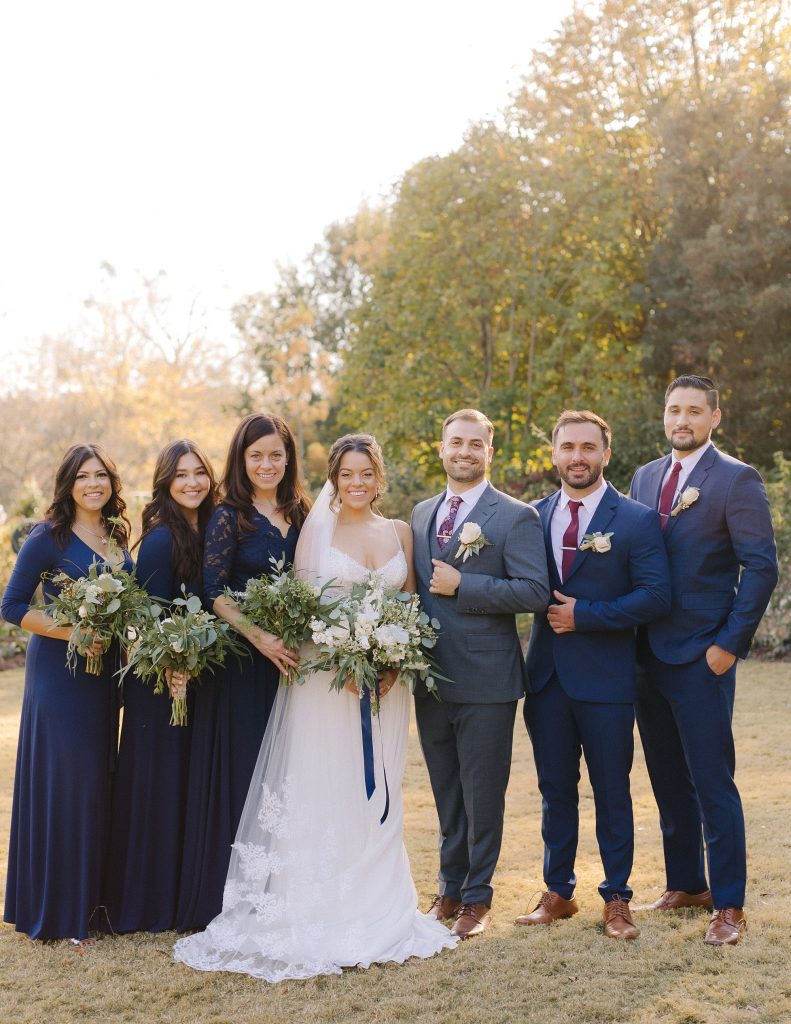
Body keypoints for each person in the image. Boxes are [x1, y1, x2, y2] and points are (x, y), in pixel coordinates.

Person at [173, 434, 458, 980]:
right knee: (329, 786)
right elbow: (304, 615)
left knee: (378, 789)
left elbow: (414, 607)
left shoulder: (400, 532)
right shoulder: (313, 533)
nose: (356, 483)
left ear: (380, 477)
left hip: (386, 687)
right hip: (328, 684)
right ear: (334, 476)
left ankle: (382, 901)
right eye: (346, 473)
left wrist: (392, 663)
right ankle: (323, 906)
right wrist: (346, 664)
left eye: (366, 473)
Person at [631, 375, 778, 946]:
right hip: (645, 655)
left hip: (702, 657)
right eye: (673, 410)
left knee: (713, 781)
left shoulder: (737, 479)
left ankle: (730, 904)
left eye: (694, 411)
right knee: (668, 779)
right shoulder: (645, 477)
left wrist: (728, 645)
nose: (681, 420)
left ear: (715, 417)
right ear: (663, 416)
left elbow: (761, 567)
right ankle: (687, 883)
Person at [517, 410, 670, 939]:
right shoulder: (529, 517)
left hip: (606, 680)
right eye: (567, 447)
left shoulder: (635, 519)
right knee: (555, 788)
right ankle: (558, 891)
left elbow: (655, 596)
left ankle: (617, 897)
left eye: (588, 448)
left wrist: (586, 615)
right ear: (554, 454)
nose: (577, 457)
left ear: (606, 454)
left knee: (611, 790)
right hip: (546, 680)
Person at [411, 409, 550, 939]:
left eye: (476, 443)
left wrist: (464, 586)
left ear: (490, 452)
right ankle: (449, 888)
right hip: (430, 677)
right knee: (446, 790)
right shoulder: (422, 513)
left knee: (482, 792)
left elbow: (535, 592)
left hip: (488, 680)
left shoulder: (515, 517)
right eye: (455, 442)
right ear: (441, 448)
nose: (464, 451)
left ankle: (477, 897)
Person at [174, 413, 310, 931]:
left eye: (276, 454)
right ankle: (233, 893)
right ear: (241, 460)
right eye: (256, 455)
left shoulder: (302, 511)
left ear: (289, 458)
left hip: (294, 663)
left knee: (287, 775)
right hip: (241, 665)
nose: (267, 464)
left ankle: (282, 885)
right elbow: (215, 593)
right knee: (246, 770)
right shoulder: (229, 514)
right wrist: (261, 637)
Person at [2, 443, 132, 943]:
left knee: (98, 781)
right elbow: (12, 607)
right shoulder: (47, 536)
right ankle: (62, 912)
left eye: (101, 475)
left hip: (104, 676)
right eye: (83, 476)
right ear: (68, 484)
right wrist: (72, 631)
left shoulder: (118, 534)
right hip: (59, 675)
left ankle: (94, 902)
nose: (93, 484)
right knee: (69, 783)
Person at [103, 439, 218, 933]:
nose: (192, 482)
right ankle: (144, 904)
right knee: (156, 788)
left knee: (183, 789)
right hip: (160, 685)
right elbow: (147, 623)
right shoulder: (160, 539)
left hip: (194, 680)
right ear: (166, 483)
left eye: (199, 473)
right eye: (181, 475)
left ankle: (179, 897)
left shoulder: (210, 529)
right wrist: (173, 666)